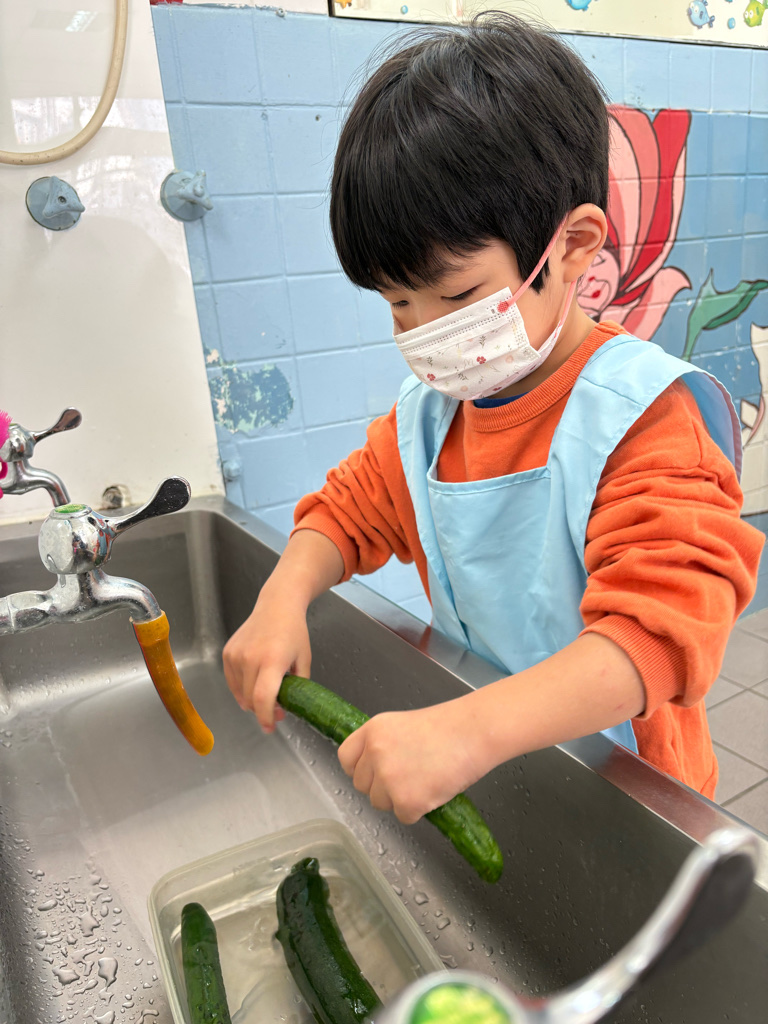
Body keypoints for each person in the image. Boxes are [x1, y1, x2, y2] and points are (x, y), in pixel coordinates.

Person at [223, 12, 763, 820]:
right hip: (497, 767)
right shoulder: (429, 418)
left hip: (630, 801)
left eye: (456, 296)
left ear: (573, 246)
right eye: (398, 305)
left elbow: (659, 634)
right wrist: (282, 596)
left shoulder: (646, 419)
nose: (422, 334)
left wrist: (472, 731)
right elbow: (345, 513)